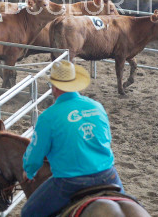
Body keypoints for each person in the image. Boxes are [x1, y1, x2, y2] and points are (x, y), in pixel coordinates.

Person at [21, 61, 124, 217]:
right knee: (132, 204)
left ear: (54, 87)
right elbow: (106, 139)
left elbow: (36, 155)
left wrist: (28, 172)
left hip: (70, 181)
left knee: (28, 212)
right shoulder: (97, 106)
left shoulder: (48, 117)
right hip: (107, 175)